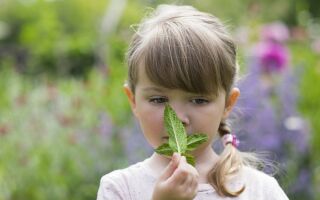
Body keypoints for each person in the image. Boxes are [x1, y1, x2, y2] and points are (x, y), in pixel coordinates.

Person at [97, 4, 289, 200]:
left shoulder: (260, 190)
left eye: (198, 100)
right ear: (133, 101)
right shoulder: (120, 189)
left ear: (228, 104)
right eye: (158, 99)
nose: (178, 118)